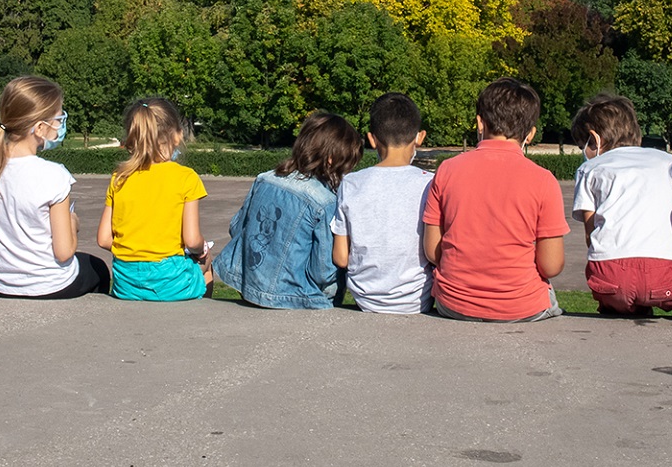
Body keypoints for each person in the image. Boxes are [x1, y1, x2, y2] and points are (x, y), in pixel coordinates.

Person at [422, 78, 568, 323]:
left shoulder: (447, 170)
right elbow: (551, 266)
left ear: (480, 123)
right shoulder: (544, 180)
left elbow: (432, 252)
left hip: (454, 303)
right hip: (521, 306)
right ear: (530, 134)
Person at [0, 75, 109, 299]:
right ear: (40, 128)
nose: (61, 125)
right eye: (58, 118)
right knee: (98, 267)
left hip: (0, 284)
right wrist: (72, 223)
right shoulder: (54, 175)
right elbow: (64, 252)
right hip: (51, 284)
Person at [213, 112, 364, 309]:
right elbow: (323, 271)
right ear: (330, 160)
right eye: (346, 166)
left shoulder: (264, 179)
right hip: (294, 298)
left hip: (247, 286)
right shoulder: (324, 202)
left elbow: (236, 227)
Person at [569, 94, 672, 315]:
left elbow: (592, 236)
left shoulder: (592, 168)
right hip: (667, 279)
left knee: (615, 293)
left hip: (611, 278)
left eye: (584, 146)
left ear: (595, 139)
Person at [331, 93, 434, 315]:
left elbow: (341, 257)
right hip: (418, 301)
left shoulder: (351, 183)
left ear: (371, 139)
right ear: (420, 137)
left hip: (365, 299)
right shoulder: (430, 183)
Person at [98, 97, 209, 301]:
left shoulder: (119, 178)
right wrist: (202, 248)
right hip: (169, 281)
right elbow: (192, 240)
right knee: (206, 264)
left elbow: (104, 239)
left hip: (125, 282)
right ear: (177, 135)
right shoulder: (186, 177)